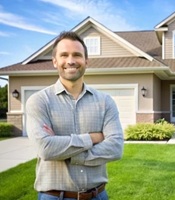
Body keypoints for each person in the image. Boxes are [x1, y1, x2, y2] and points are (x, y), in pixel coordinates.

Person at [26, 31, 124, 200]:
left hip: (98, 196)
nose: (71, 61)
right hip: (54, 197)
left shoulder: (105, 101)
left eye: (77, 55)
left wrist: (66, 153)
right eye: (64, 55)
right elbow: (45, 148)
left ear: (86, 61)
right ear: (55, 61)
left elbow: (115, 148)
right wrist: (92, 138)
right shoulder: (39, 101)